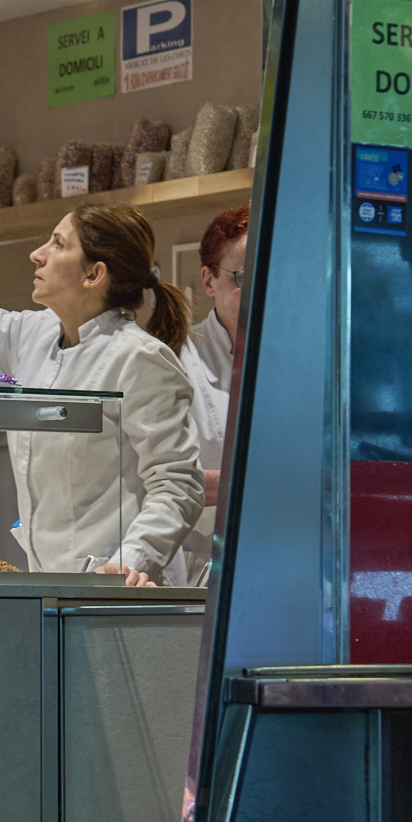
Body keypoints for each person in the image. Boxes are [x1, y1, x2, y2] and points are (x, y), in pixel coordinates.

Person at [0, 203, 204, 586]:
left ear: (94, 274)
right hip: (48, 585)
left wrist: (130, 561)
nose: (37, 254)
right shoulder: (32, 335)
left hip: (120, 591)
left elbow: (178, 483)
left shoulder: (140, 358)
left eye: (58, 244)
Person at [178, 203, 249, 579]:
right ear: (209, 281)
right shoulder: (174, 359)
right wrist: (251, 484)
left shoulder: (307, 360)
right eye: (244, 276)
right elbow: (156, 479)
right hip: (201, 570)